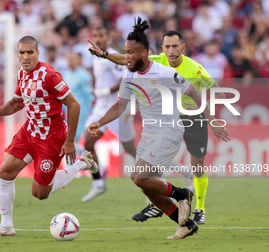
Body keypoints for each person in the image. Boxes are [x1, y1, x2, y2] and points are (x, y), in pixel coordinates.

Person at [88, 18, 230, 239]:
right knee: (146, 187)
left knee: (138, 177)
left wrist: (210, 119)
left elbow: (192, 90)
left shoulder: (164, 73)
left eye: (130, 53)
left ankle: (183, 193)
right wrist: (99, 122)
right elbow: (120, 105)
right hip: (149, 134)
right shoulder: (129, 74)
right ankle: (187, 224)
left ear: (144, 53)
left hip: (169, 132)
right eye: (125, 52)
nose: (126, 57)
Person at [0, 36, 98, 237]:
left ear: (37, 53)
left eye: (30, 52)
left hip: (51, 139)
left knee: (40, 194)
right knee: (5, 172)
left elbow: (74, 105)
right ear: (17, 54)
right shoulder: (22, 74)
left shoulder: (49, 75)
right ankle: (6, 226)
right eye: (21, 52)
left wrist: (70, 141)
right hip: (29, 132)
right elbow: (17, 103)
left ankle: (82, 163)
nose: (25, 56)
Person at [82, 26, 136, 202]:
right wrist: (96, 95)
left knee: (132, 150)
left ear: (108, 36)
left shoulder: (113, 56)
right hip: (100, 108)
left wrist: (104, 92)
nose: (98, 38)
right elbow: (99, 80)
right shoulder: (96, 57)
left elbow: (123, 81)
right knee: (88, 141)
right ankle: (98, 182)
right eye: (95, 35)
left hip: (116, 108)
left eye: (101, 35)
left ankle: (158, 178)